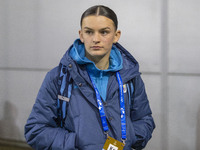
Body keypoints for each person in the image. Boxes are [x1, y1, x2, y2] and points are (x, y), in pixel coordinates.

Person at [25, 5, 155, 150]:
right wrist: (77, 143)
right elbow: (36, 130)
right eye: (89, 32)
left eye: (104, 32)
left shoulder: (130, 76)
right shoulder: (58, 78)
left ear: (116, 35)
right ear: (81, 35)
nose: (96, 39)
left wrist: (128, 139)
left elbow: (144, 120)